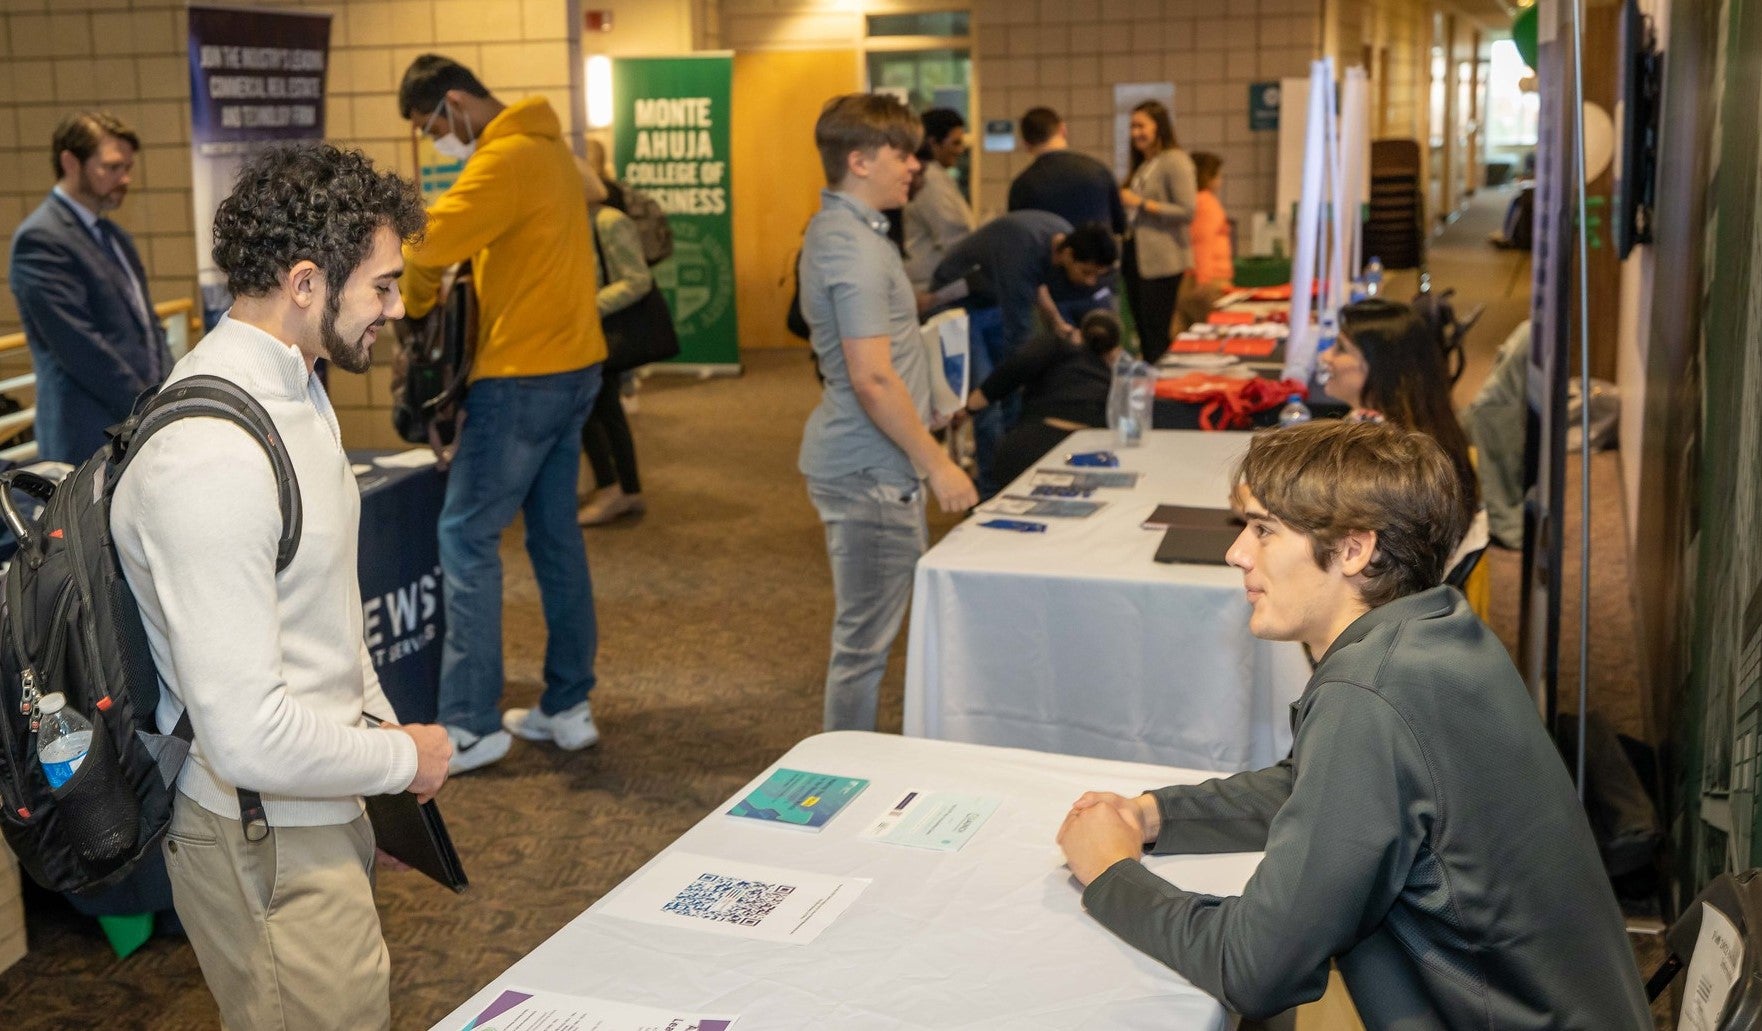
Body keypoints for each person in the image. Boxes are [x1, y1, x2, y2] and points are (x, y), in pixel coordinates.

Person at [1056, 419, 1651, 1029]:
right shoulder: (1438, 629)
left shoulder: (1366, 695)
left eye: (1263, 530)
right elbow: (1320, 789)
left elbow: (1258, 968)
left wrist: (1109, 873)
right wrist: (1156, 814)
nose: (1237, 553)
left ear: (1353, 550)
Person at [111, 144, 450, 1030]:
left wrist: (376, 746)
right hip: (260, 834)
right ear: (306, 283)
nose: (397, 307)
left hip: (314, 803)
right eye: (381, 286)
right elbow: (250, 736)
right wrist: (401, 759)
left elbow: (322, 619)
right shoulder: (212, 456)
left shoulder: (296, 390)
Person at [398, 54, 607, 773]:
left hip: (522, 377)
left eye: (432, 126)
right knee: (555, 535)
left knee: (464, 535)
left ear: (454, 102)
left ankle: (469, 722)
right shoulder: (550, 149)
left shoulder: (503, 159)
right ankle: (568, 703)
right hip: (577, 367)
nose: (436, 141)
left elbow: (421, 244)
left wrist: (417, 307)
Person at [798, 93, 977, 731]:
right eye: (901, 154)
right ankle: (836, 785)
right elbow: (871, 378)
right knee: (862, 649)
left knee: (866, 642)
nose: (914, 166)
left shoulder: (855, 233)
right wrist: (938, 466)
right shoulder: (849, 244)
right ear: (860, 160)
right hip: (870, 472)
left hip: (875, 465)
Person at [8, 112, 171, 463]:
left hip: (133, 423)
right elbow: (82, 350)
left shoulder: (114, 237)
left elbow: (148, 327)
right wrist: (150, 407)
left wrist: (168, 394)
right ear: (71, 162)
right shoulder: (40, 240)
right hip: (86, 435)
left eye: (127, 167)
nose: (124, 178)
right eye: (112, 167)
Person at [928, 214, 1117, 495]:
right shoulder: (1021, 253)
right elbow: (1019, 345)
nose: (1090, 282)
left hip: (991, 296)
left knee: (1002, 388)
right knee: (988, 398)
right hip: (960, 304)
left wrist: (1055, 321)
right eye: (1086, 272)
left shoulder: (1064, 236)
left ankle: (1005, 474)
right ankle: (992, 490)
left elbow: (1036, 285)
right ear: (1067, 254)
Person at [1319, 297, 1487, 571]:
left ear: (1378, 368)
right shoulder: (1425, 429)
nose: (1325, 357)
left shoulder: (1382, 451)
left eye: (1340, 349)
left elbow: (1312, 520)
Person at [963, 308, 1123, 489]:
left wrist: (968, 408)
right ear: (1114, 349)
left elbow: (1013, 369)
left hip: (1028, 448)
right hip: (1086, 453)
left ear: (1079, 333)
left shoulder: (1056, 345)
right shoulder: (1114, 375)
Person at [579, 179, 653, 526]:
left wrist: (590, 306)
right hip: (588, 331)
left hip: (603, 330)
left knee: (601, 412)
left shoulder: (608, 221)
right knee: (599, 410)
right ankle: (622, 488)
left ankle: (617, 489)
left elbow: (637, 279)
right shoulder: (581, 221)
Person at [1118, 100, 1196, 364]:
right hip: (1135, 256)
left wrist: (1140, 203)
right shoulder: (1143, 164)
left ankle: (1161, 394)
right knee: (1144, 332)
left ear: (1159, 127)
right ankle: (1152, 386)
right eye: (1131, 127)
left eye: (1141, 126)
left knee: (1156, 333)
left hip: (1162, 262)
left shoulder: (1175, 161)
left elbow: (1187, 211)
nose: (1135, 133)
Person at [1008, 107, 1127, 237]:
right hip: (1095, 256)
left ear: (1026, 144)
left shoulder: (1022, 185)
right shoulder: (1099, 171)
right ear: (1063, 129)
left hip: (1047, 256)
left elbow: (1017, 235)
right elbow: (1120, 225)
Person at [902, 108, 976, 291]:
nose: (960, 150)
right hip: (931, 285)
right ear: (933, 143)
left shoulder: (934, 176)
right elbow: (953, 235)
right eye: (955, 143)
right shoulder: (929, 180)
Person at [1175, 151, 1233, 332]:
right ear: (1208, 176)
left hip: (1194, 276)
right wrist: (1204, 279)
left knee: (1184, 332)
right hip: (1209, 280)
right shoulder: (1206, 202)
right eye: (1218, 175)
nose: (1220, 180)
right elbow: (1202, 242)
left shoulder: (1193, 201)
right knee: (1216, 334)